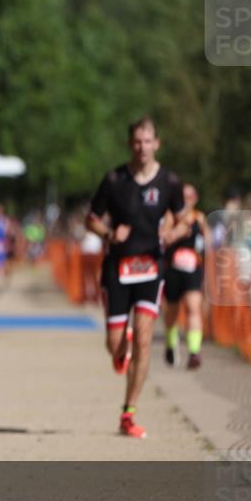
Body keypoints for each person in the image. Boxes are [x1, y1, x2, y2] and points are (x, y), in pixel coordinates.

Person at [85, 116, 186, 439]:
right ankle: (120, 348)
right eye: (137, 141)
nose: (142, 147)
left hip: (150, 269)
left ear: (157, 143)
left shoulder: (169, 182)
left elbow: (185, 220)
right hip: (117, 268)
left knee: (144, 337)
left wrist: (172, 232)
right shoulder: (114, 180)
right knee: (115, 345)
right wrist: (110, 233)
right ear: (131, 144)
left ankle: (128, 414)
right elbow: (91, 219)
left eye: (148, 141)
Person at [162, 184, 210, 369]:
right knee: (172, 312)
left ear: (195, 198)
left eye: (190, 197)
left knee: (193, 307)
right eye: (183, 197)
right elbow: (163, 239)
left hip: (193, 269)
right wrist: (177, 231)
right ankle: (170, 344)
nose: (187, 200)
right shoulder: (169, 216)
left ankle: (194, 351)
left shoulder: (199, 217)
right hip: (172, 270)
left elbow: (209, 242)